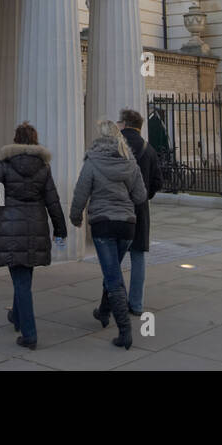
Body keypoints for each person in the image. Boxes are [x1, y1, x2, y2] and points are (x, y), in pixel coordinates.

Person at [0, 121, 67, 350]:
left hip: (11, 227)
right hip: (36, 227)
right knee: (23, 276)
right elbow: (53, 201)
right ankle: (16, 316)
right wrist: (60, 231)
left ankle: (29, 334)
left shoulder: (5, 164)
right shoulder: (43, 167)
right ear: (34, 140)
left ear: (16, 139)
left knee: (21, 280)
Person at [69, 119, 146, 349]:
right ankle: (103, 312)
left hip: (103, 224)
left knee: (113, 277)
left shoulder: (92, 162)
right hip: (127, 225)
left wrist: (75, 217)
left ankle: (125, 331)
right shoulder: (129, 162)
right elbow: (140, 195)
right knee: (111, 270)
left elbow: (81, 192)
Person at [119, 108, 163, 316]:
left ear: (125, 124)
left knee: (113, 260)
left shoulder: (115, 146)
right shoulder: (149, 149)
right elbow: (158, 182)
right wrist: (145, 196)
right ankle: (135, 304)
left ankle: (112, 302)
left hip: (117, 207)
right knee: (137, 258)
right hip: (139, 208)